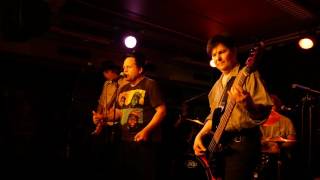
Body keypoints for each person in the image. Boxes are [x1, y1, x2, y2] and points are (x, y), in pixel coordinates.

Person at [193, 34, 274, 180]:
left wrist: (248, 104)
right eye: (214, 54)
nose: (218, 58)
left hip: (242, 144)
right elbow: (214, 117)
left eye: (222, 52)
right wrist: (200, 135)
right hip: (220, 145)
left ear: (234, 51)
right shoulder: (215, 88)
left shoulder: (249, 75)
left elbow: (263, 114)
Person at [106, 51, 167, 180]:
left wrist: (146, 131)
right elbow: (120, 112)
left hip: (145, 142)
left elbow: (161, 111)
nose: (124, 70)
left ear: (140, 69)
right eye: (123, 67)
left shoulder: (150, 84)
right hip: (126, 140)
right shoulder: (123, 88)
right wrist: (104, 117)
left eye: (128, 67)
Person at [90, 60, 128, 177]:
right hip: (105, 124)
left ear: (110, 71)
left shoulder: (124, 82)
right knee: (101, 155)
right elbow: (101, 103)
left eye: (105, 73)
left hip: (119, 125)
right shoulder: (106, 84)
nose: (104, 76)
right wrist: (97, 116)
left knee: (116, 156)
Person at [255, 94, 297, 180]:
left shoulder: (286, 121)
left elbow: (292, 141)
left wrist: (279, 145)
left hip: (281, 157)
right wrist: (266, 144)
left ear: (278, 106)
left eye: (272, 105)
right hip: (259, 157)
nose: (270, 108)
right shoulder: (256, 121)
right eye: (267, 105)